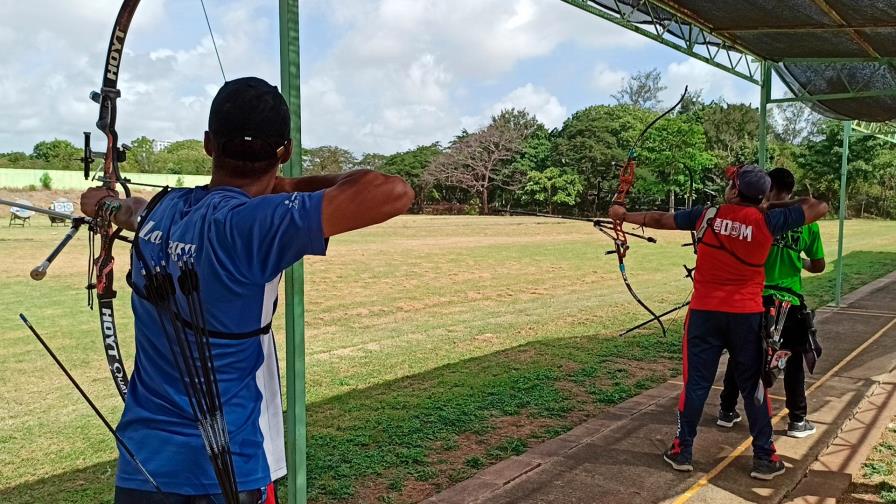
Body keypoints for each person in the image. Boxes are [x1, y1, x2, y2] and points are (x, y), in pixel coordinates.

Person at [80, 76, 414, 503]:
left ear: (208, 144)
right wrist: (289, 186)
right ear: (285, 152)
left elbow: (129, 210)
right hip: (228, 472)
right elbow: (394, 191)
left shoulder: (162, 212)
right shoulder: (256, 225)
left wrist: (102, 204)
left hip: (143, 471)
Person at [608, 164, 828, 480]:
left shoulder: (707, 215)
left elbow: (658, 219)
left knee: (697, 383)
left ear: (735, 190)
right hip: (747, 318)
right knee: (753, 386)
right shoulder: (770, 220)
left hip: (705, 316)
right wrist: (770, 204)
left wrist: (622, 215)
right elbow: (819, 206)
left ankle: (683, 451)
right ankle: (764, 458)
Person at [716, 167, 825, 438]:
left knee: (741, 354)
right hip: (788, 299)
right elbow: (819, 265)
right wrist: (796, 259)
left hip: (754, 297)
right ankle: (797, 421)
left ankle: (727, 410)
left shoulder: (756, 216)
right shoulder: (804, 221)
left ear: (767, 187)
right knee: (792, 356)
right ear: (791, 190)